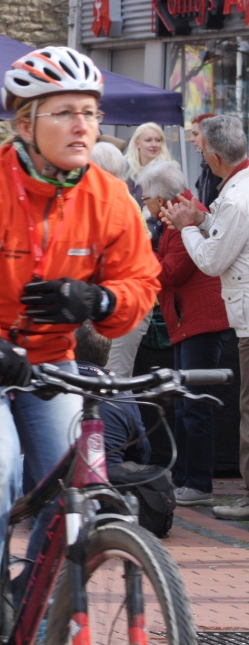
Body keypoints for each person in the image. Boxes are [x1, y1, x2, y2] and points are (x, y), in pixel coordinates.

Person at [0, 46, 160, 645]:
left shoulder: (109, 197)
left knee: (75, 484)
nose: (82, 126)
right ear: (25, 123)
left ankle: (34, 608)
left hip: (48, 358)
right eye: (65, 112)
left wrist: (100, 302)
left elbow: (142, 281)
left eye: (90, 113)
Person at [160, 114, 249, 521]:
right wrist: (201, 220)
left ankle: (241, 493)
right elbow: (230, 236)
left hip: (237, 318)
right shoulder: (237, 192)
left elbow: (212, 261)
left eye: (200, 149)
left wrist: (188, 227)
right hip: (235, 316)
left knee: (244, 409)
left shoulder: (236, 196)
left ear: (214, 157)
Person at [140, 160, 231, 506]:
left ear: (162, 199)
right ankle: (183, 478)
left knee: (194, 405)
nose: (145, 203)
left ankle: (199, 484)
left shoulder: (186, 217)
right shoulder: (174, 217)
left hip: (201, 322)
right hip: (187, 321)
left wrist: (140, 252)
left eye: (147, 198)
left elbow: (170, 272)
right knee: (183, 403)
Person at [88, 142, 154, 378]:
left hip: (124, 302)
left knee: (114, 379)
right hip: (110, 299)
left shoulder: (119, 204)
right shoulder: (107, 201)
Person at [73, 321, 151, 468]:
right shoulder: (124, 393)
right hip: (112, 478)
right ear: (108, 357)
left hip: (54, 478)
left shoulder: (51, 385)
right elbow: (142, 454)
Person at [124, 121, 172, 207]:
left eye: (158, 140)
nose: (154, 145)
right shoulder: (126, 168)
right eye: (148, 140)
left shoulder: (167, 172)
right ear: (137, 144)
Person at [189, 113, 223, 208]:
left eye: (196, 134)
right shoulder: (206, 166)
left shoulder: (220, 166)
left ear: (208, 136)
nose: (191, 139)